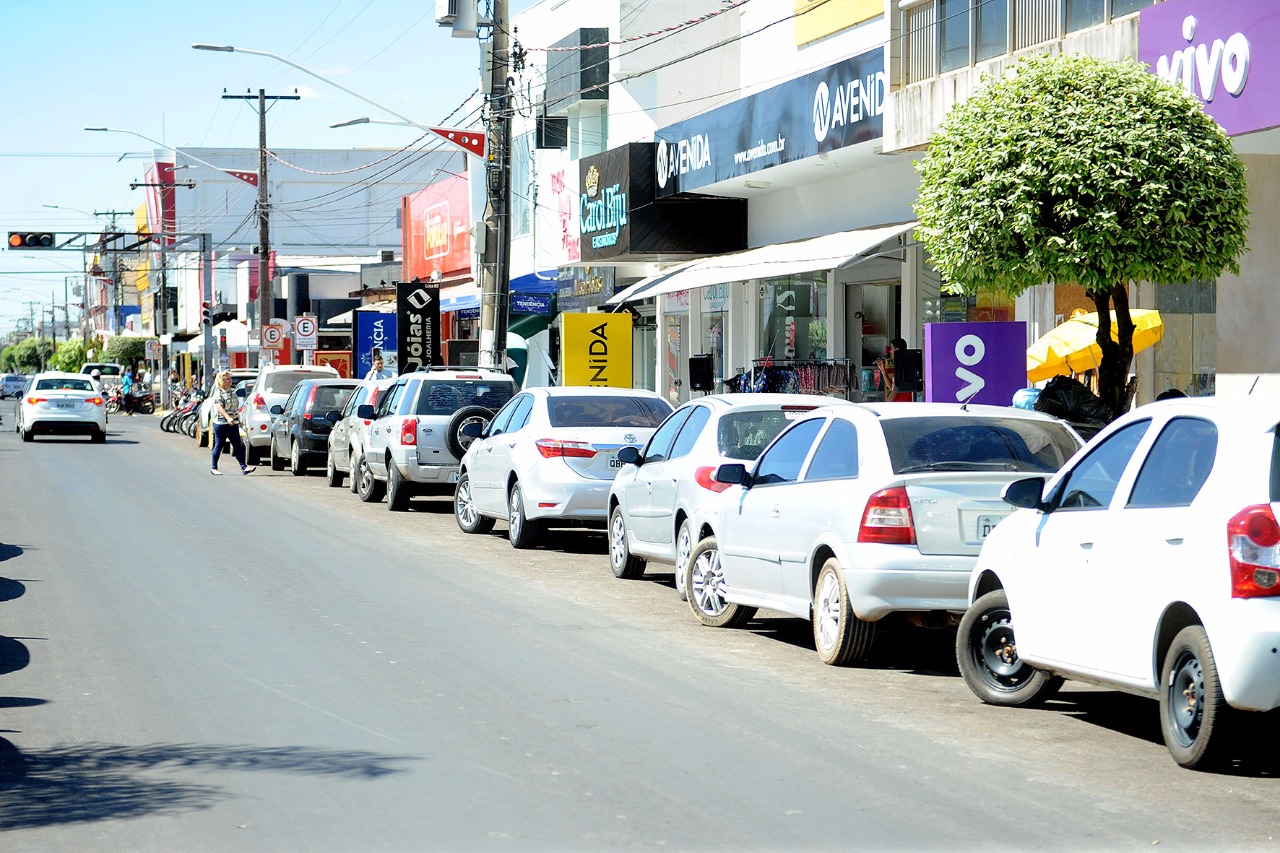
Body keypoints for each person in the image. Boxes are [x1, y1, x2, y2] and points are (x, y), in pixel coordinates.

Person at [210, 369, 254, 475]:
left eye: (230, 378)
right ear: (221, 381)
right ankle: (214, 467)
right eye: (227, 379)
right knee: (219, 445)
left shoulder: (232, 392)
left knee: (237, 445)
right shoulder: (219, 393)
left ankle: (244, 467)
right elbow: (219, 407)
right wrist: (227, 418)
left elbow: (235, 408)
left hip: (233, 424)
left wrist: (238, 420)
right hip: (221, 424)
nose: (230, 381)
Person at [876, 337, 914, 402]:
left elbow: (895, 390)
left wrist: (887, 403)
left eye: (891, 349)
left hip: (901, 403)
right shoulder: (899, 365)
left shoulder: (902, 366)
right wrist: (883, 372)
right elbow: (892, 387)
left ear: (897, 349)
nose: (890, 351)